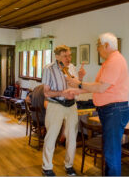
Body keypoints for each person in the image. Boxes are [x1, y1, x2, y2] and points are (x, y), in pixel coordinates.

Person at [66, 33, 129, 176]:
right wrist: (75, 90)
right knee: (109, 152)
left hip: (114, 111)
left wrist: (79, 84)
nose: (97, 49)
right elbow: (97, 87)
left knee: (111, 154)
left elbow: (101, 88)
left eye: (98, 46)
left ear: (107, 46)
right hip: (111, 111)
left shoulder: (115, 61)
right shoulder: (109, 61)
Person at [41, 45, 85, 176]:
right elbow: (46, 93)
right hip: (56, 105)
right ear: (57, 56)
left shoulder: (72, 67)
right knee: (51, 136)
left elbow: (76, 85)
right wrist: (62, 93)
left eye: (70, 55)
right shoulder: (48, 69)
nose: (69, 58)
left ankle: (69, 165)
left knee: (72, 137)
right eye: (66, 56)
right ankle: (47, 167)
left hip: (72, 106)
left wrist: (81, 78)